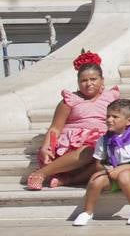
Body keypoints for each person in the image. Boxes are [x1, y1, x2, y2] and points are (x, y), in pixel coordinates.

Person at [25, 51, 119, 190]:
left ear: (102, 80)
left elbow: (122, 121)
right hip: (73, 147)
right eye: (84, 80)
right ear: (78, 82)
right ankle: (40, 174)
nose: (89, 84)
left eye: (93, 79)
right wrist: (46, 147)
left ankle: (69, 180)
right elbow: (55, 128)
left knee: (105, 160)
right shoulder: (69, 100)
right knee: (90, 150)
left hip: (102, 145)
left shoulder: (111, 98)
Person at [73, 98, 130, 226]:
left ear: (129, 121)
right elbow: (98, 164)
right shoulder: (103, 140)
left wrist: (120, 169)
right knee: (95, 180)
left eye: (115, 117)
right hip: (112, 173)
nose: (109, 120)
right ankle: (87, 212)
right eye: (108, 116)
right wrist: (106, 170)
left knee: (124, 176)